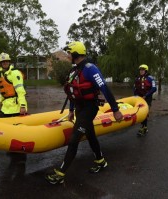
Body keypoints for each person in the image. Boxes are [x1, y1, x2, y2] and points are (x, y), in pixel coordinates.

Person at [45, 41, 123, 185]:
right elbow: (73, 92)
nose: (68, 55)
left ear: (75, 53)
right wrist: (71, 110)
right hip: (80, 108)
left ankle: (60, 174)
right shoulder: (74, 70)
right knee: (90, 134)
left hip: (90, 108)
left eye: (69, 53)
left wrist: (115, 110)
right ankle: (100, 161)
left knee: (74, 139)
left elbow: (105, 88)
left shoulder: (90, 69)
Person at [0, 52, 27, 117]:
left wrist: (23, 105)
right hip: (5, 107)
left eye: (6, 61)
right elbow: (2, 89)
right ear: (0, 63)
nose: (5, 63)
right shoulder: (1, 74)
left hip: (15, 108)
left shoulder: (15, 73)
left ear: (9, 62)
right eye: (3, 62)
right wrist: (0, 101)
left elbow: (20, 90)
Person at [133, 64, 156, 137]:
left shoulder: (150, 78)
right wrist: (135, 95)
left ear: (146, 71)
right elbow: (134, 88)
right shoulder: (137, 78)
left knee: (145, 112)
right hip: (139, 98)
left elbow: (154, 88)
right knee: (141, 112)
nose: (141, 71)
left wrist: (146, 95)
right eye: (140, 70)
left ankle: (144, 128)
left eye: (143, 70)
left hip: (147, 97)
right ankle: (144, 127)